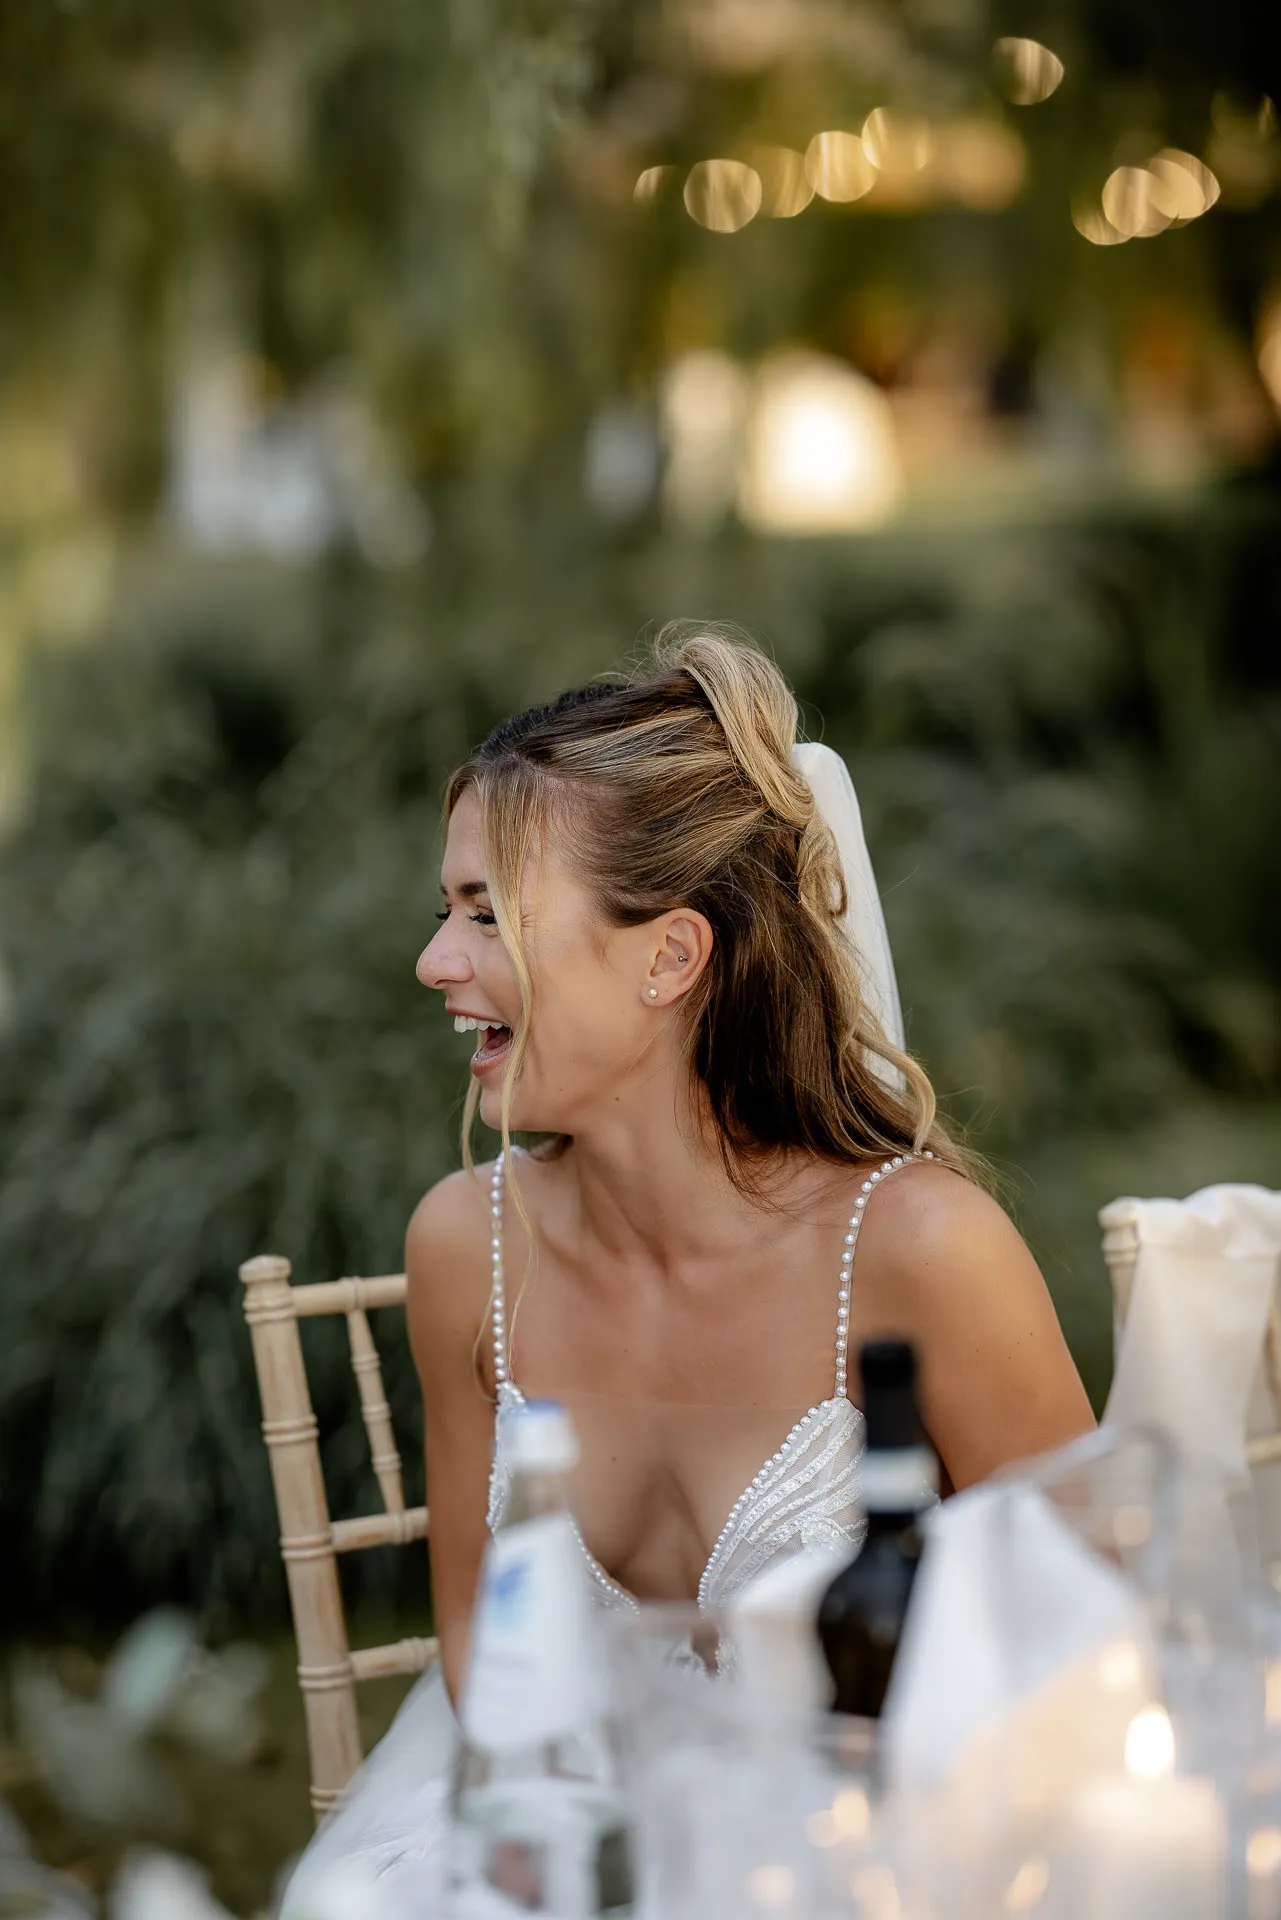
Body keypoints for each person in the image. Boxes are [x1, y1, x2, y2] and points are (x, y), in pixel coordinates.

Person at [280, 628, 1093, 1918]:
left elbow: (1091, 1659)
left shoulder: (922, 1254)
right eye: (445, 912)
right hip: (552, 1827)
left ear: (670, 957)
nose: (436, 962)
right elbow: (483, 1660)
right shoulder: (461, 1250)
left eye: (487, 914)